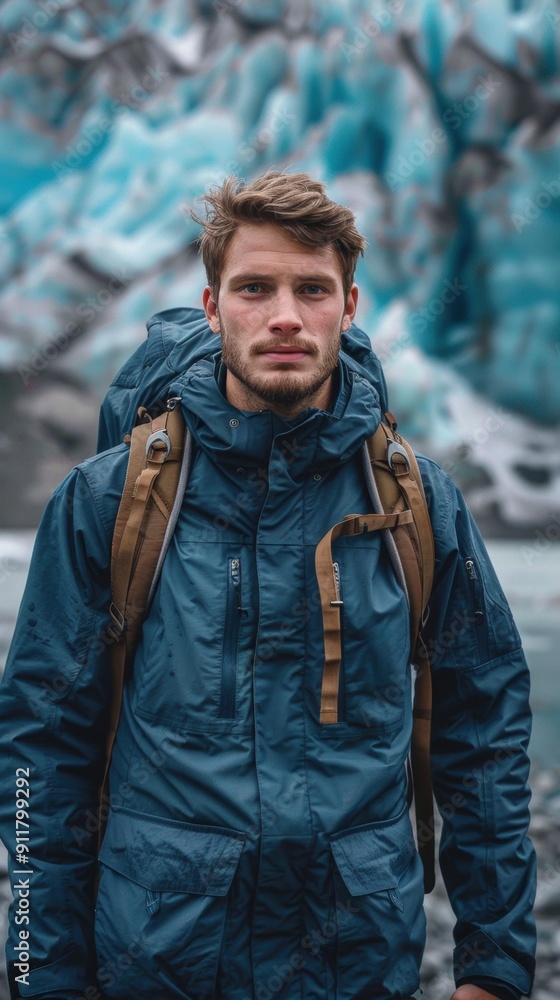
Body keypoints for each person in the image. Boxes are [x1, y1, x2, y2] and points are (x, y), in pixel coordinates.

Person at [0, 171, 536, 1000]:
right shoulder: (110, 501)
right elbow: (42, 750)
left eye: (311, 289)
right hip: (157, 963)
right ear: (213, 309)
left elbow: (483, 730)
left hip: (353, 963)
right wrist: (40, 973)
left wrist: (495, 967)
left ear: (348, 306)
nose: (285, 315)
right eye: (254, 288)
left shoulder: (418, 504)